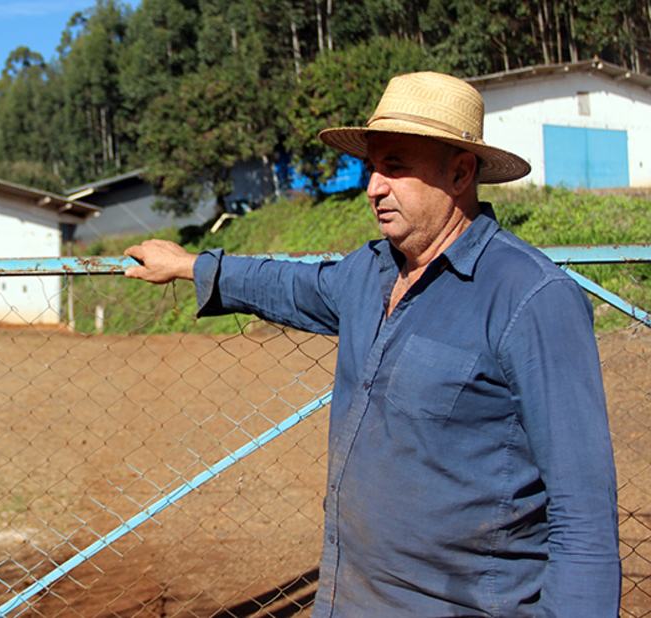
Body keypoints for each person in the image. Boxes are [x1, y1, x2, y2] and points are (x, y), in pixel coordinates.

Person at [124, 72, 620, 617]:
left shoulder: (530, 299)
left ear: (460, 172)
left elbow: (584, 516)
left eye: (397, 166)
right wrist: (192, 264)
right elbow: (291, 284)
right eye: (372, 166)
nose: (373, 187)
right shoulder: (372, 271)